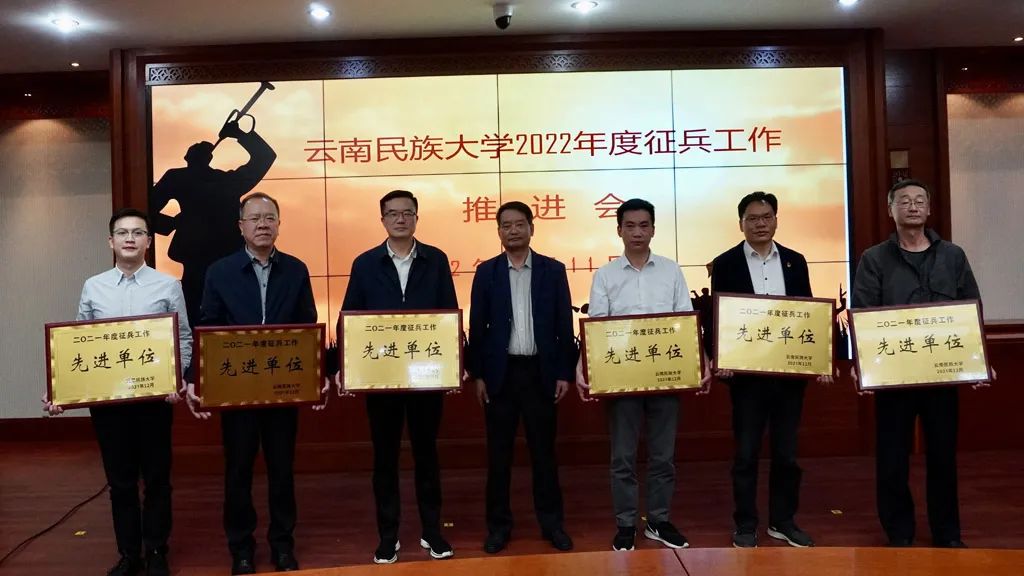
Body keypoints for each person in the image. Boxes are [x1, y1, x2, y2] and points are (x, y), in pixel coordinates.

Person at [44, 208, 192, 576]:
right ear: (110, 241)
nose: (130, 238)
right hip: (109, 405)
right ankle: (129, 555)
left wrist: (176, 377)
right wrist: (63, 392)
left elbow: (183, 338)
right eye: (122, 232)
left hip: (154, 401)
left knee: (157, 480)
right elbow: (79, 343)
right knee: (120, 483)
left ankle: (156, 551)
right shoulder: (93, 286)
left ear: (148, 241)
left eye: (138, 232)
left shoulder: (168, 285)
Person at [852, 179, 992, 549]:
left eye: (919, 201)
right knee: (892, 458)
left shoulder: (953, 256)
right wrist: (862, 364)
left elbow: (971, 307)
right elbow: (864, 313)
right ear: (891, 210)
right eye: (904, 201)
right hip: (894, 375)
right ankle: (899, 532)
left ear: (928, 209)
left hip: (941, 375)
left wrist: (980, 360)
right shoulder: (874, 258)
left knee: (943, 457)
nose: (912, 206)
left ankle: (947, 534)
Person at [190, 192, 316, 574]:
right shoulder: (220, 272)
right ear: (241, 226)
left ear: (279, 224)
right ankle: (241, 549)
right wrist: (199, 380)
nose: (263, 224)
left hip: (282, 389)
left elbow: (307, 326)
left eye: (269, 217)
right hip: (237, 390)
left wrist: (317, 376)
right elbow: (209, 327)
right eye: (255, 218)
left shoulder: (296, 270)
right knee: (238, 471)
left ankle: (282, 545)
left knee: (282, 470)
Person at [576, 198, 711, 552]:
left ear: (653, 229)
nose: (637, 232)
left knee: (663, 456)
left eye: (644, 225)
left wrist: (702, 359)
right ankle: (625, 524)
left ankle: (658, 521)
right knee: (622, 457)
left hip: (666, 376)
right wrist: (582, 365)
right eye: (630, 226)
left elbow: (685, 320)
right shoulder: (605, 275)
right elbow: (597, 327)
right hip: (621, 378)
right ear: (619, 230)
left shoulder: (670, 270)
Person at [706, 191, 833, 548]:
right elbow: (718, 316)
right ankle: (746, 523)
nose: (760, 224)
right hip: (746, 378)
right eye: (752, 218)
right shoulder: (726, 263)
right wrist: (720, 358)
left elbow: (808, 312)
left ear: (776, 220)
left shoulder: (795, 261)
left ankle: (783, 521)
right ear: (741, 223)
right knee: (746, 454)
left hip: (788, 376)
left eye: (766, 217)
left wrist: (820, 359)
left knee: (786, 454)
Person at [339, 190, 458, 564]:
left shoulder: (436, 260)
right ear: (383, 220)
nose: (401, 219)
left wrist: (455, 362)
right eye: (393, 214)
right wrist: (348, 367)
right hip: (382, 378)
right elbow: (350, 317)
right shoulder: (365, 263)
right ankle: (388, 536)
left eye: (407, 213)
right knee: (385, 458)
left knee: (427, 455)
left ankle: (432, 531)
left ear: (417, 218)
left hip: (426, 376)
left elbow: (449, 312)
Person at [468, 201, 576, 554]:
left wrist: (564, 372)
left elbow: (563, 324)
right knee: (498, 456)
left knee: (544, 454)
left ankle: (552, 525)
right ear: (498, 231)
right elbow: (477, 327)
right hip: (500, 376)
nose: (513, 230)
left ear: (532, 227)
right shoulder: (486, 272)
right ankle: (498, 527)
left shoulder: (552, 270)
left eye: (519, 224)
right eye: (506, 225)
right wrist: (478, 375)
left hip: (540, 373)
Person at [150, 120, 276, 327]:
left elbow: (146, 210)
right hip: (209, 254)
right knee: (207, 309)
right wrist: (239, 135)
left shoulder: (181, 178)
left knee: (204, 310)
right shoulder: (223, 181)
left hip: (210, 255)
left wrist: (172, 223)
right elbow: (264, 157)